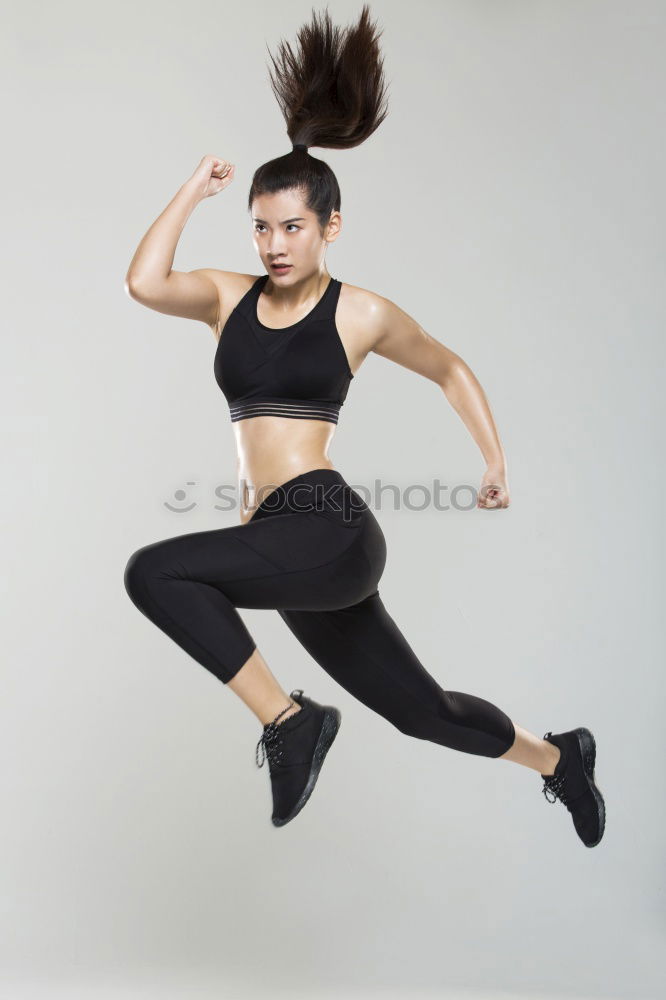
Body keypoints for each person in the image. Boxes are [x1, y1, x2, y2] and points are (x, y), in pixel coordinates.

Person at [123, 5, 605, 845]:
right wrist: (193, 191)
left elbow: (450, 367)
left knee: (154, 573)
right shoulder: (227, 298)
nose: (275, 244)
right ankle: (561, 760)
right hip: (283, 544)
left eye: (293, 228)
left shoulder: (363, 313)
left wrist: (494, 461)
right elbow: (143, 282)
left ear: (330, 228)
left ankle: (288, 724)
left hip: (329, 529)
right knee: (424, 712)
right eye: (262, 226)